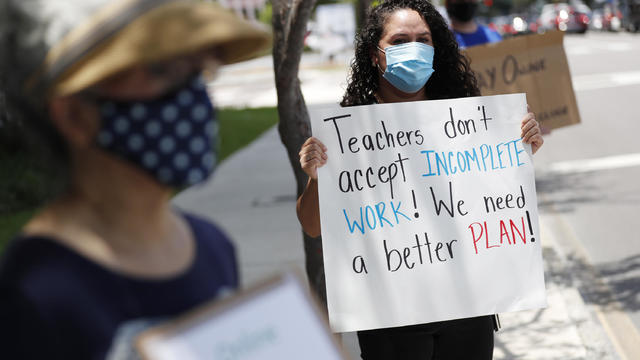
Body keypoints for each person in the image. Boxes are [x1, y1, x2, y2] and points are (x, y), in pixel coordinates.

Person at [0, 0, 269, 359]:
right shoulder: (33, 293)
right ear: (75, 115)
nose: (195, 96)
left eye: (201, 67)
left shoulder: (214, 248)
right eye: (161, 69)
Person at [296, 0, 543, 359]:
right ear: (374, 54)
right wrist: (317, 179)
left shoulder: (466, 117)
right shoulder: (348, 134)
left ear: (436, 48)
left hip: (468, 305)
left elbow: (491, 200)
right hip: (392, 315)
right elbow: (313, 226)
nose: (413, 48)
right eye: (399, 41)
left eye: (422, 39)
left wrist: (520, 151)